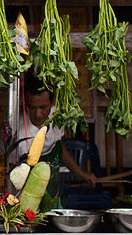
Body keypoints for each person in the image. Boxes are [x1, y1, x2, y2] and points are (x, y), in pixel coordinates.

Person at [16, 76, 95, 204]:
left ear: (51, 104)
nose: (38, 114)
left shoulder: (56, 117)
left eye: (43, 107)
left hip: (55, 191)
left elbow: (58, 146)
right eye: (32, 108)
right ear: (26, 105)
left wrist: (80, 174)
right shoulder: (20, 133)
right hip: (29, 197)